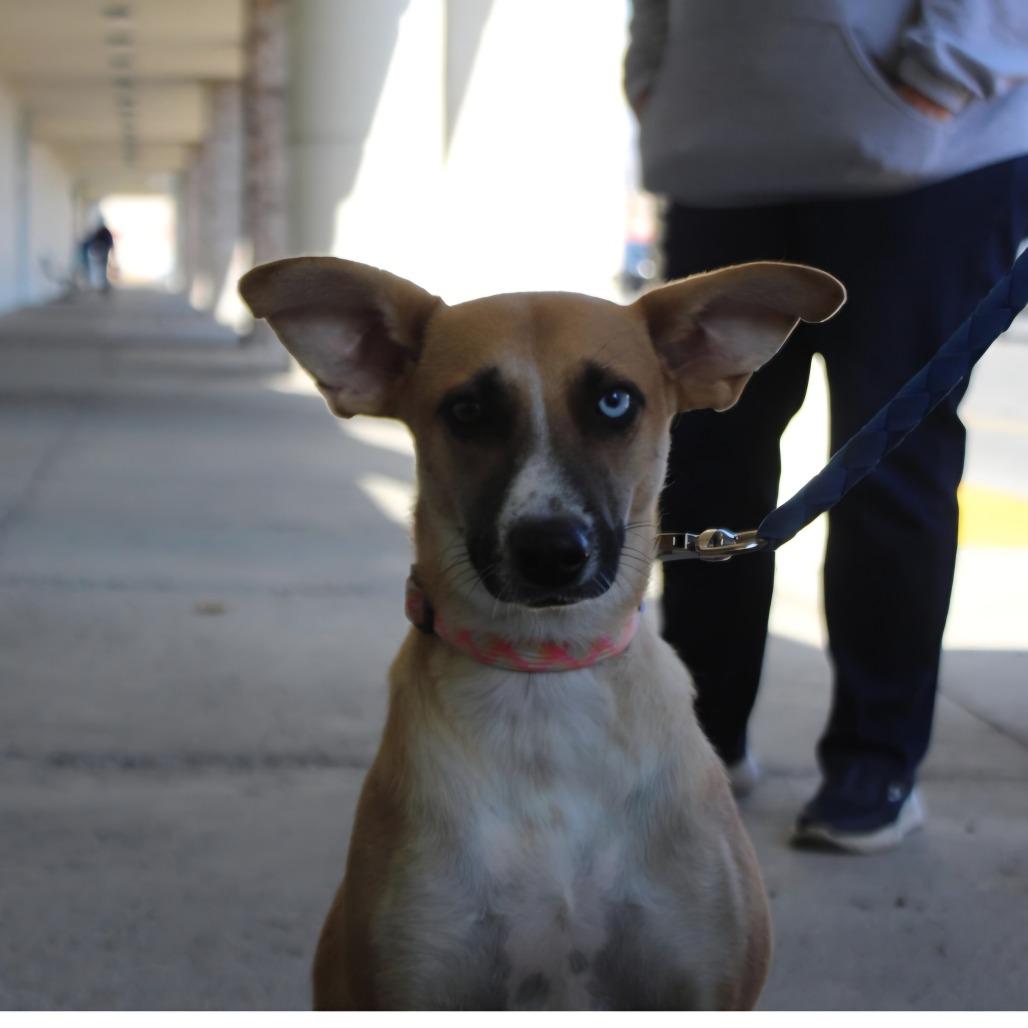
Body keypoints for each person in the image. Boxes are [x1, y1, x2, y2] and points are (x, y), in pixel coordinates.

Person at [625, 0, 1028, 852]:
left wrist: (940, 78)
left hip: (927, 162)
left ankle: (875, 758)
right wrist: (653, 76)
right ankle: (699, 738)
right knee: (703, 462)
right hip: (720, 158)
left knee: (890, 462)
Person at [81, 219, 116, 293]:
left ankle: (102, 284)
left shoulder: (101, 232)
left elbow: (95, 242)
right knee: (101, 269)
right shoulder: (103, 232)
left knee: (100, 269)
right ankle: (101, 284)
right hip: (101, 252)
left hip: (100, 252)